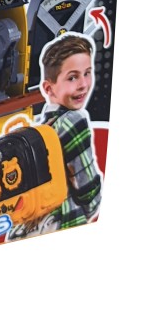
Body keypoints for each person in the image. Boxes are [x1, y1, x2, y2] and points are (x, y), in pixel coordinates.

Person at [6, 33, 103, 240]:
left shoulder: (35, 131)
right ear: (48, 88)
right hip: (63, 225)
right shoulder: (73, 121)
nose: (84, 84)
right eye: (72, 77)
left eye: (87, 73)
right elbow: (89, 193)